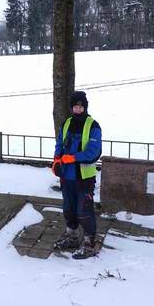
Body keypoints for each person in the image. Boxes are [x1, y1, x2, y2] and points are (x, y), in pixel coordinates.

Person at [52, 91, 102, 259]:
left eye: (81, 106)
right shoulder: (66, 123)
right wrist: (56, 160)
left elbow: (94, 152)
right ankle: (71, 236)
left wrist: (74, 157)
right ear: (72, 107)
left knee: (84, 211)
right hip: (67, 176)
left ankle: (90, 243)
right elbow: (59, 143)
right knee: (69, 209)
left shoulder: (93, 125)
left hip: (84, 178)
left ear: (85, 107)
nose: (78, 109)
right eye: (75, 106)